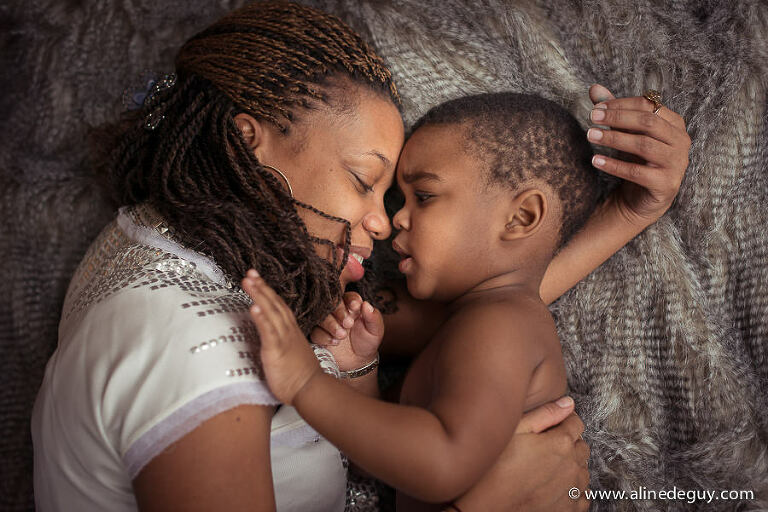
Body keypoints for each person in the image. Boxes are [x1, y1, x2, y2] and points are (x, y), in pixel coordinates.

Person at [29, 2, 690, 511]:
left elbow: (490, 302)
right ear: (248, 142)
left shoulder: (186, 250)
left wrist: (630, 214)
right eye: (362, 179)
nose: (382, 221)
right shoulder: (186, 349)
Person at [243, 91, 611, 509]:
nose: (396, 218)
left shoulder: (499, 328)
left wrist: (304, 384)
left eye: (425, 196)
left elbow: (440, 465)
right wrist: (360, 371)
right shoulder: (472, 326)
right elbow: (387, 462)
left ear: (521, 217)